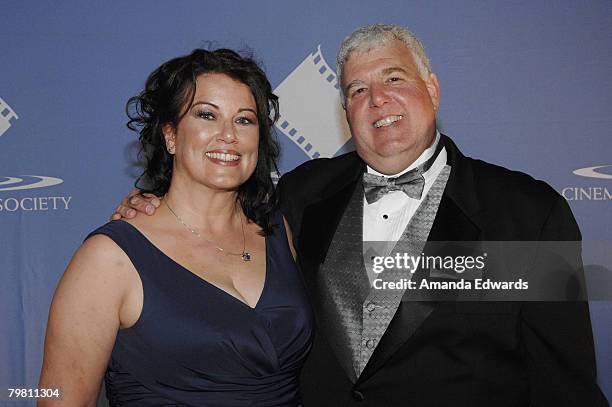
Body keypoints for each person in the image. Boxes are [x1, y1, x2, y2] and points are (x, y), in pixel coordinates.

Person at [114, 25, 609, 406]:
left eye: (394, 78)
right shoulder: (301, 195)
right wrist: (153, 202)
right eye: (356, 90)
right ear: (345, 111)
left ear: (432, 89)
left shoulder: (530, 214)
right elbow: (208, 221)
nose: (377, 100)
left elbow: (564, 385)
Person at [39, 48, 313, 406]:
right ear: (170, 135)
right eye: (206, 115)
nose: (228, 135)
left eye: (244, 120)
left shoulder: (278, 232)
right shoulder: (110, 259)